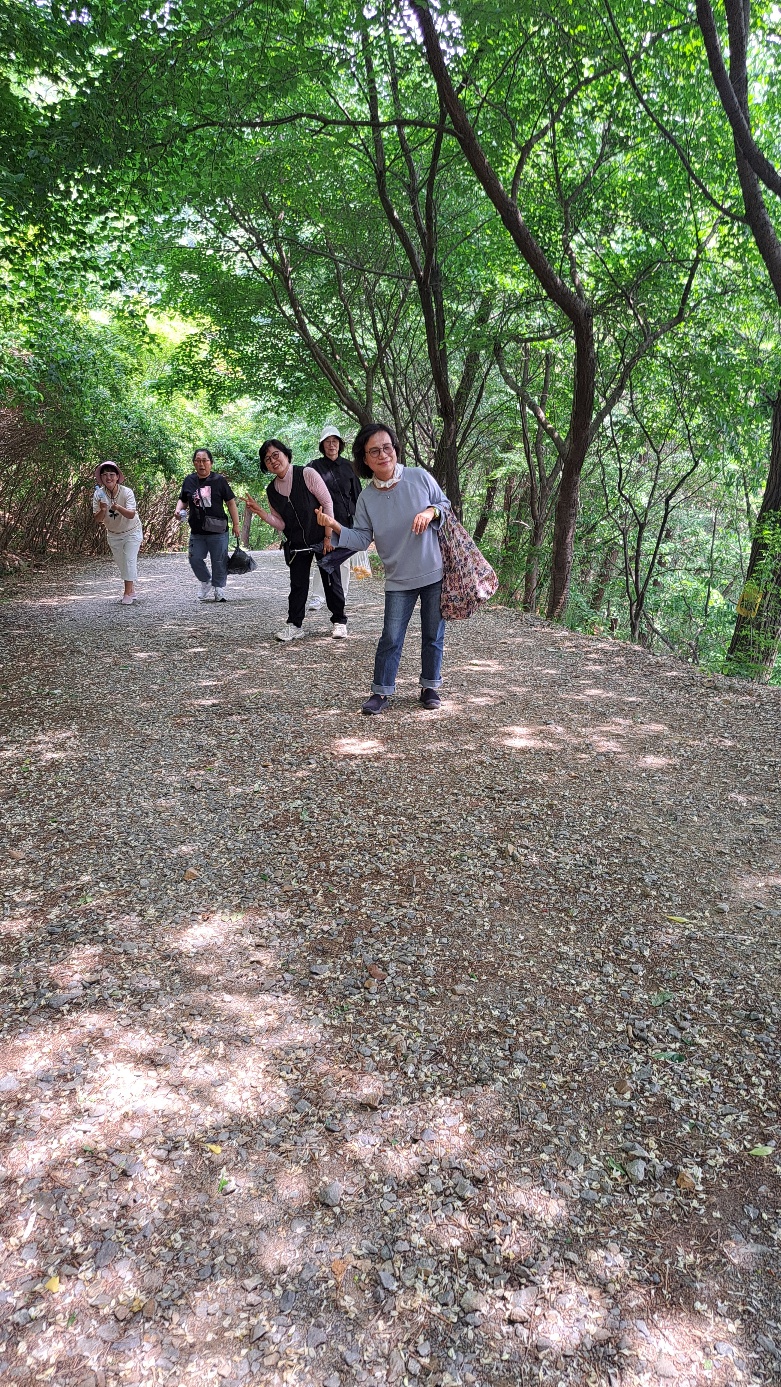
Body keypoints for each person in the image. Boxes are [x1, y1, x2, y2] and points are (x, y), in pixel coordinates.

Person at [316, 422, 450, 714]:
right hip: (398, 578)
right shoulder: (367, 497)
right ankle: (381, 691)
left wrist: (430, 512)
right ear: (364, 459)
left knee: (433, 634)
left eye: (387, 447)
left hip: (433, 571)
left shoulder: (419, 477)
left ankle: (430, 686)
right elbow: (362, 539)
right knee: (390, 636)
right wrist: (335, 525)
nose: (382, 455)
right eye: (374, 451)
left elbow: (444, 504)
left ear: (395, 449)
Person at [244, 439, 348, 642]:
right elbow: (281, 523)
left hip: (322, 537)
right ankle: (295, 625)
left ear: (286, 454)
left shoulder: (307, 474)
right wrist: (260, 512)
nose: (273, 461)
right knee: (298, 585)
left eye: (276, 455)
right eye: (267, 459)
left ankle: (339, 621)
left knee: (331, 580)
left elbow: (327, 503)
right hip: (297, 544)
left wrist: (328, 536)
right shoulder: (272, 490)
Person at [306, 425, 362, 612]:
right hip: (322, 522)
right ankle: (318, 597)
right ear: (322, 445)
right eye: (328, 442)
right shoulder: (313, 467)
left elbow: (358, 495)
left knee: (343, 560)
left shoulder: (350, 467)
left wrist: (361, 520)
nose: (332, 445)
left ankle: (341, 596)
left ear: (340, 444)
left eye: (335, 441)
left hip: (346, 522)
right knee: (323, 557)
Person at [175, 448, 241, 602]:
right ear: (194, 463)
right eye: (198, 460)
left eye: (204, 460)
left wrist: (236, 524)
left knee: (219, 560)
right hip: (197, 530)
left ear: (211, 463)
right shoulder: (189, 480)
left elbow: (231, 502)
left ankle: (219, 588)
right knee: (194, 558)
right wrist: (178, 510)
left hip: (218, 530)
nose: (201, 464)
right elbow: (183, 499)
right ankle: (206, 581)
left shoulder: (219, 480)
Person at [92, 461, 143, 605]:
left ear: (117, 477)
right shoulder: (98, 494)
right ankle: (131, 590)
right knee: (122, 563)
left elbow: (131, 514)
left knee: (129, 559)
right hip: (113, 533)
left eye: (111, 474)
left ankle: (127, 593)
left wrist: (118, 507)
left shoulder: (127, 492)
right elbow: (97, 519)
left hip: (132, 531)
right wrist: (103, 509)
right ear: (101, 478)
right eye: (105, 475)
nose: (108, 478)